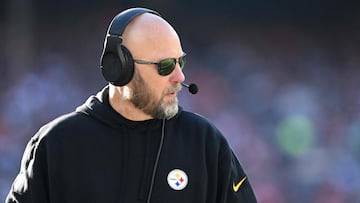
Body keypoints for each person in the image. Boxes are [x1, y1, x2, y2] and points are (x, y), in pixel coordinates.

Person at [6, 7, 257, 203]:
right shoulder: (56, 143)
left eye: (181, 62)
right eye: (166, 66)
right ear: (120, 68)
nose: (179, 77)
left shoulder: (205, 142)